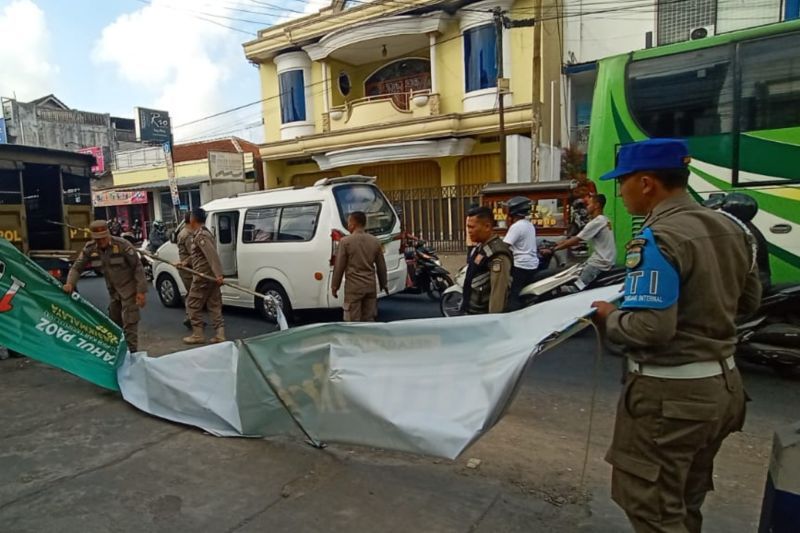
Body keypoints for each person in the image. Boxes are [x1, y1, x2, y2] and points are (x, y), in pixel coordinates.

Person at [590, 139, 761, 533]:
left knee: (655, 511)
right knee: (685, 500)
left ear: (647, 183)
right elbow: (748, 303)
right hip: (723, 389)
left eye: (623, 181)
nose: (620, 191)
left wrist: (609, 316)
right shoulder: (730, 228)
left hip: (671, 400)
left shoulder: (655, 238)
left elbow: (651, 328)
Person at [64, 220, 147, 352]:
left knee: (130, 324)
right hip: (114, 293)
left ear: (108, 234)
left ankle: (132, 354)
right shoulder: (90, 248)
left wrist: (141, 292)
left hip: (129, 290)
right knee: (114, 324)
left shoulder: (122, 245)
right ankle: (119, 353)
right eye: (97, 239)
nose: (101, 241)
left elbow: (138, 267)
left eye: (103, 238)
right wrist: (70, 283)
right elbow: (76, 268)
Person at [331, 211, 388, 322]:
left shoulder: (345, 242)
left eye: (349, 223)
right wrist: (383, 283)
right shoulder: (375, 241)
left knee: (353, 321)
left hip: (354, 288)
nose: (348, 226)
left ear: (353, 223)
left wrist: (335, 286)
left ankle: (355, 340)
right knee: (369, 319)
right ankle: (369, 339)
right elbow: (381, 265)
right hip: (370, 286)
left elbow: (339, 266)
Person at [181, 208, 225, 344]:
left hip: (203, 277)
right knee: (214, 305)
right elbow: (198, 255)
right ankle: (220, 334)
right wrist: (184, 262)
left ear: (193, 219)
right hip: (209, 276)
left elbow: (212, 256)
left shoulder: (201, 236)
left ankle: (198, 335)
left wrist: (219, 275)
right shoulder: (204, 233)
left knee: (192, 304)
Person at [553, 193, 616, 289]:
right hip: (606, 260)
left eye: (589, 204)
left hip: (599, 263)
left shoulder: (597, 222)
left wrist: (555, 249)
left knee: (574, 288)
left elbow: (576, 240)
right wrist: (555, 244)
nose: (587, 208)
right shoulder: (605, 220)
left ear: (596, 205)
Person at [461, 206, 513, 315]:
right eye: (468, 227)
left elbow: (497, 295)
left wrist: (492, 322)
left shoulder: (498, 255)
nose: (469, 231)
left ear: (487, 226)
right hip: (472, 311)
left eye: (472, 227)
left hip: (482, 317)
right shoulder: (480, 247)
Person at [503, 196, 539, 311]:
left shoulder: (516, 227)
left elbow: (504, 246)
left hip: (520, 266)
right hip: (532, 265)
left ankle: (513, 314)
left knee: (513, 296)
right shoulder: (529, 225)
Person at [176, 212, 194, 329]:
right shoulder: (187, 234)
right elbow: (193, 254)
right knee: (193, 293)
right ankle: (191, 317)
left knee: (192, 293)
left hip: (186, 267)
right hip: (188, 268)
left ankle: (192, 317)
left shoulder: (184, 232)